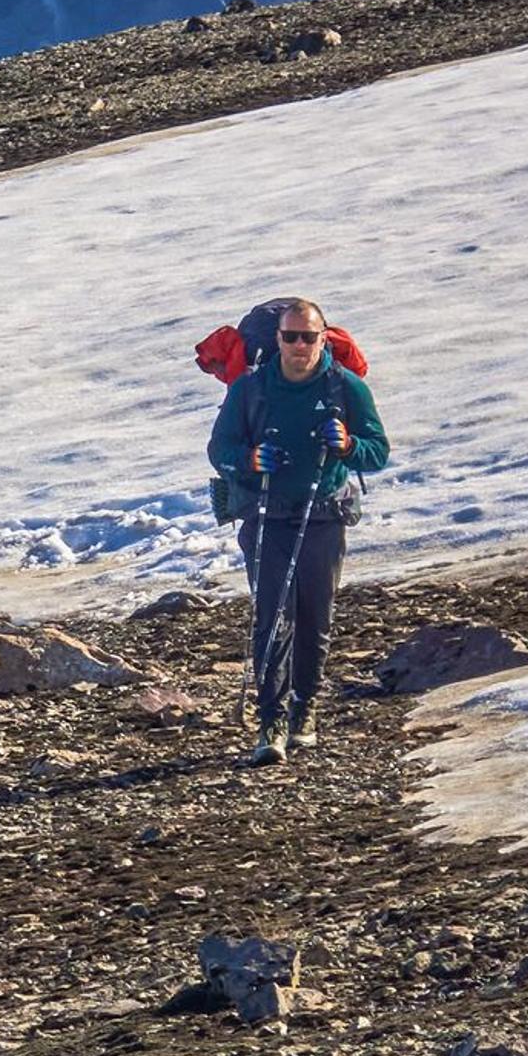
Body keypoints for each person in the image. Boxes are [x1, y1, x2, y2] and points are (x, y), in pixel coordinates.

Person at [208, 295, 389, 765]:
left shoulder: (345, 388)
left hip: (323, 516)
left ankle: (303, 712)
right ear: (278, 339)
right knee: (272, 617)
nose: (299, 345)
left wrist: (349, 446)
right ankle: (271, 720)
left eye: (309, 337)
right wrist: (248, 461)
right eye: (291, 336)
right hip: (266, 516)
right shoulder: (250, 389)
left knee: (315, 619)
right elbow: (219, 448)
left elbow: (378, 451)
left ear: (323, 339)